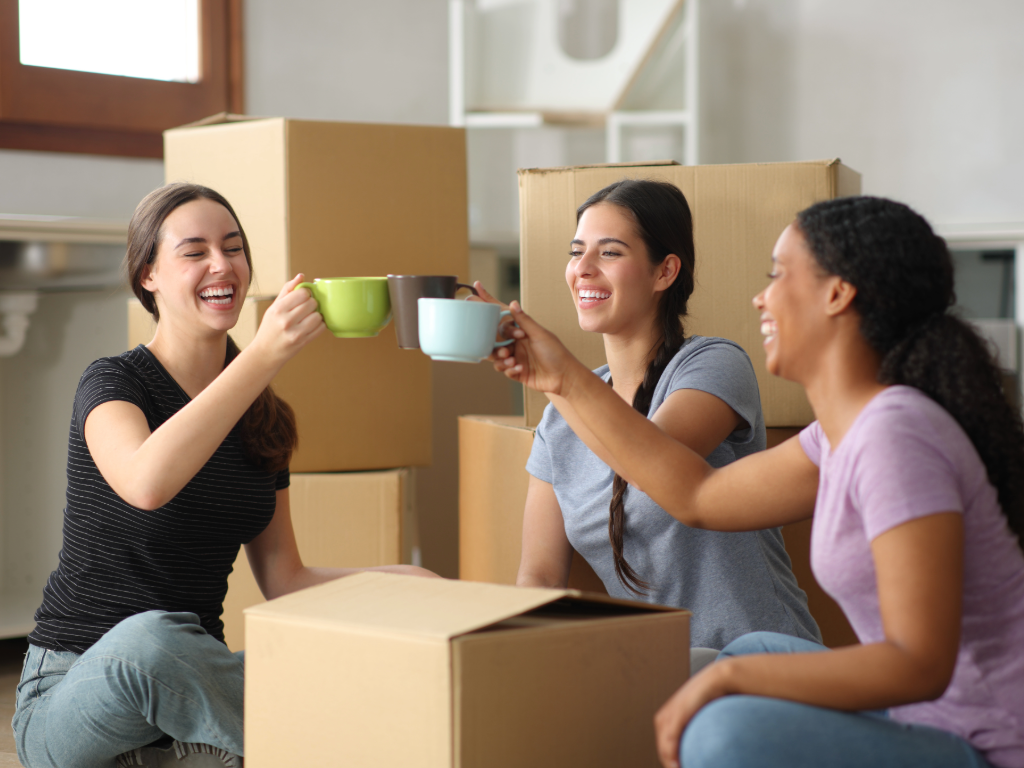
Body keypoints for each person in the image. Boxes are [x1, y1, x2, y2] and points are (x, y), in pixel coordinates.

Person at [493, 195, 1024, 768]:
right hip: (919, 717)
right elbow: (696, 496)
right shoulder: (838, 436)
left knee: (723, 729)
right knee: (747, 652)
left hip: (983, 741)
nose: (760, 297)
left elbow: (921, 663)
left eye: (777, 276)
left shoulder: (897, 434)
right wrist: (561, 379)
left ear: (837, 294)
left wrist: (730, 679)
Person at [12, 182, 437, 768]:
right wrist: (263, 356)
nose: (222, 264)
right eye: (194, 251)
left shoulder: (264, 418)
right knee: (150, 639)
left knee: (296, 664)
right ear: (148, 276)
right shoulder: (113, 384)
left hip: (189, 707)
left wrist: (398, 581)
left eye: (233, 247)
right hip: (73, 694)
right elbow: (145, 482)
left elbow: (285, 578)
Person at [486, 178, 820, 672]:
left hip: (760, 662)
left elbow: (657, 464)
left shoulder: (711, 364)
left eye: (610, 252)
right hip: (655, 670)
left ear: (664, 271)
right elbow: (539, 576)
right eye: (577, 251)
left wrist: (561, 377)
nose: (584, 269)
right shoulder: (560, 417)